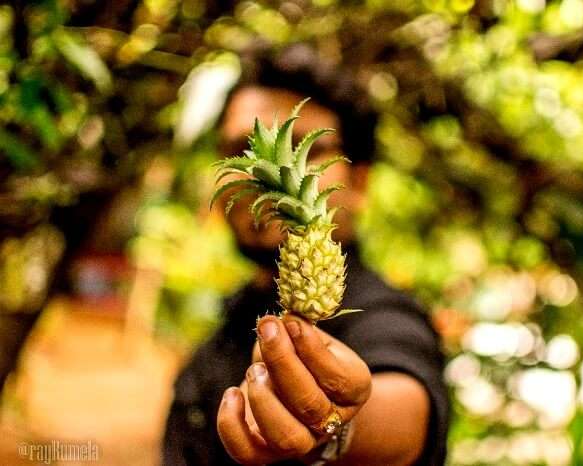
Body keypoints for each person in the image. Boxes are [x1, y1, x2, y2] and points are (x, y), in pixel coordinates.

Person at [162, 45, 449, 466]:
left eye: (302, 148)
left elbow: (403, 410)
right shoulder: (238, 309)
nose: (266, 173)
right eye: (245, 149)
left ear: (359, 182)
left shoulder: (384, 314)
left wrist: (339, 427)